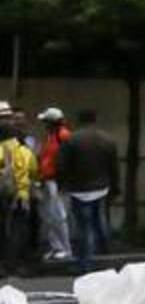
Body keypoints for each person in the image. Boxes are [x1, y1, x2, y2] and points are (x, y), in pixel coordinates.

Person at [56, 109, 120, 274]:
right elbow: (114, 167)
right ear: (95, 119)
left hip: (79, 189)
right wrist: (115, 188)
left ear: (79, 120)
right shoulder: (107, 140)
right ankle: (105, 253)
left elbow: (62, 165)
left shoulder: (71, 140)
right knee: (99, 220)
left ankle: (85, 263)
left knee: (84, 226)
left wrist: (62, 185)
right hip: (101, 187)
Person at [0, 123, 38, 277]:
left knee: (2, 231)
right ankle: (20, 265)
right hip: (22, 198)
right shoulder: (25, 151)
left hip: (2, 196)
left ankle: (2, 266)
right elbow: (34, 171)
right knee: (21, 231)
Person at [36, 106, 73, 262]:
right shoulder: (51, 136)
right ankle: (56, 246)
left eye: (45, 121)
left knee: (59, 216)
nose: (44, 125)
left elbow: (66, 159)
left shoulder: (63, 135)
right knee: (49, 216)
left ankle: (65, 248)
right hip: (48, 179)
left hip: (56, 180)